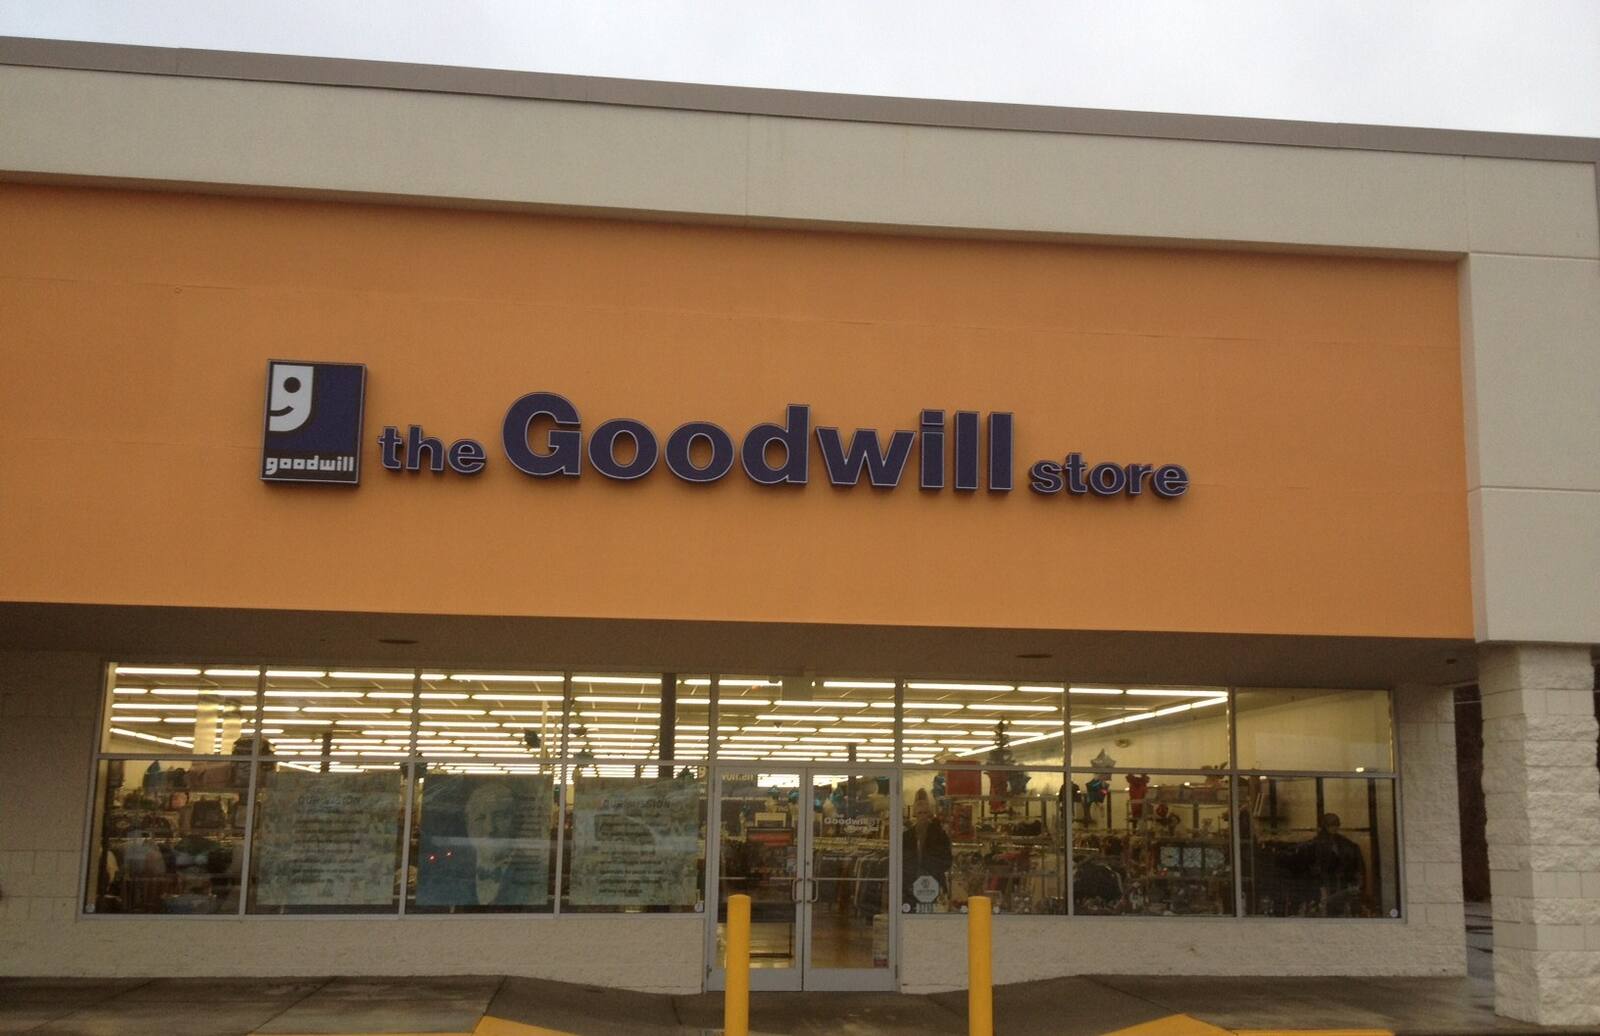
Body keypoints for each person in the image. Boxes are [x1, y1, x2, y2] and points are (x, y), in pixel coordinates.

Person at [903, 789, 953, 908]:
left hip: (933, 880)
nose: (923, 816)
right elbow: (903, 860)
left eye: (925, 813)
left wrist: (933, 869)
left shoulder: (939, 835)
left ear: (929, 814)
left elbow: (947, 859)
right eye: (920, 813)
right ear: (915, 814)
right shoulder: (907, 836)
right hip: (912, 881)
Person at [1307, 812, 1365, 916]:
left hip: (1341, 884)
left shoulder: (1346, 844)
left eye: (1335, 825)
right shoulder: (1317, 844)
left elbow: (1357, 866)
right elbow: (1315, 868)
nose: (1334, 828)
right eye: (1331, 825)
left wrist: (1356, 882)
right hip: (1326, 885)